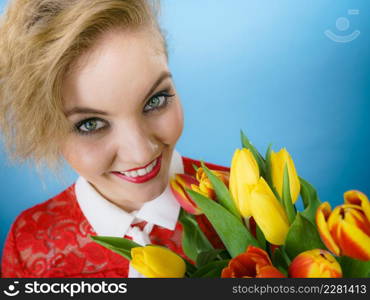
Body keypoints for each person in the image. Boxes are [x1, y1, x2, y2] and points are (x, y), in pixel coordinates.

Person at [0, 0, 229, 277]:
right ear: (45, 128)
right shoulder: (28, 245)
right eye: (91, 124)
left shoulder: (245, 199)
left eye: (155, 100)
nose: (141, 153)